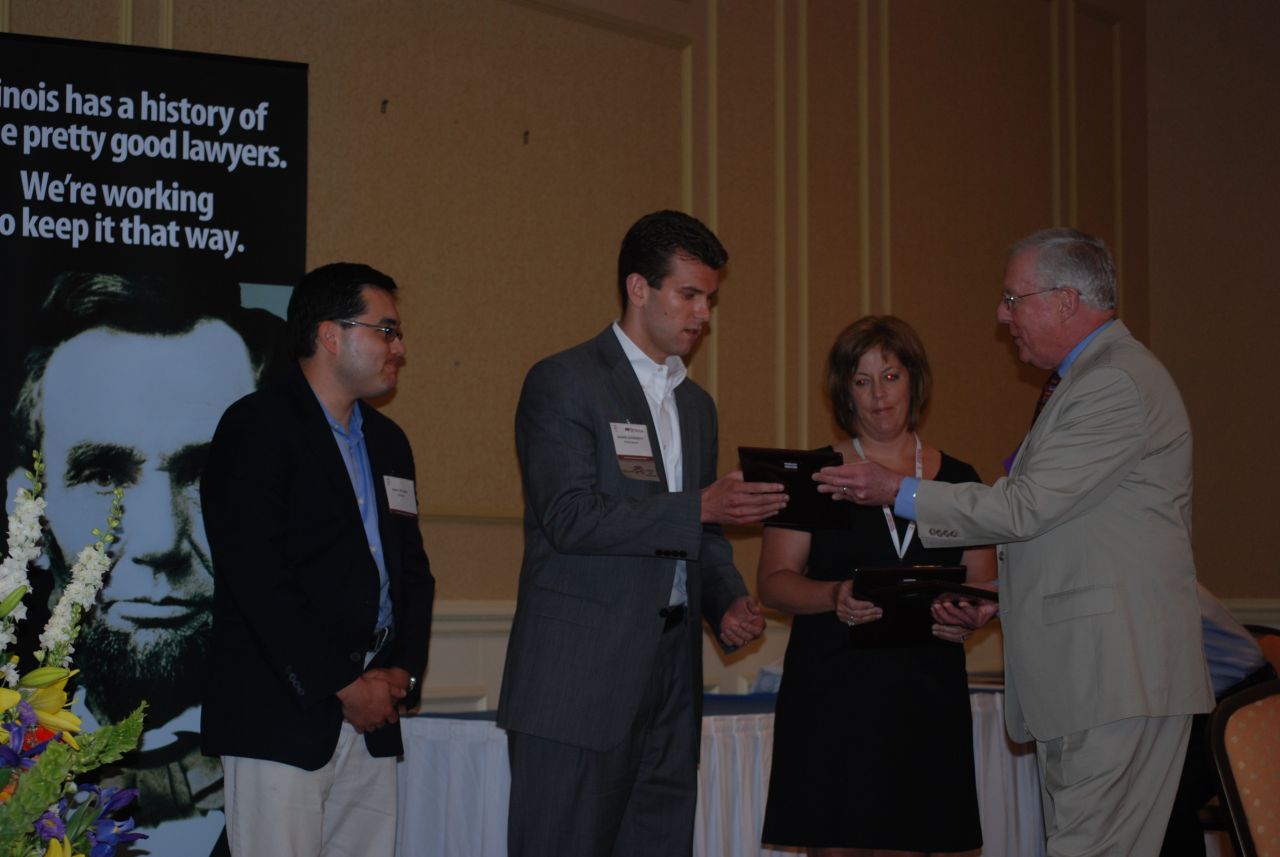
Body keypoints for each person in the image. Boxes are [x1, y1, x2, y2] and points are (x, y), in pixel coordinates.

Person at [818, 228, 1214, 857]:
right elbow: (1077, 533)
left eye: (1012, 299)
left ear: (1064, 300)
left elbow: (1026, 508)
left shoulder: (1113, 383)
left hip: (1112, 675)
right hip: (1095, 676)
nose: (1002, 317)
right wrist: (997, 597)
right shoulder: (1087, 381)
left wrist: (899, 490)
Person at [497, 209, 788, 857]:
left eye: (709, 298)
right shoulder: (565, 381)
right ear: (638, 288)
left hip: (672, 676)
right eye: (688, 294)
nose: (703, 313)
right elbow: (569, 516)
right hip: (579, 679)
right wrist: (703, 507)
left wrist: (725, 598)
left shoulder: (695, 404)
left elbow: (699, 529)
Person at [4, 271, 287, 854]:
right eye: (104, 475)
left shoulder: (307, 746)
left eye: (205, 474)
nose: (160, 540)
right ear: (26, 504)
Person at [200, 262, 435, 856]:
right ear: (331, 335)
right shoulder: (256, 428)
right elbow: (257, 579)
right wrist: (341, 684)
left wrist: (400, 674)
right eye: (386, 330)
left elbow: (412, 573)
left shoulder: (389, 442)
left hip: (374, 715)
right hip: (282, 713)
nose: (399, 348)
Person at [758, 315, 994, 856]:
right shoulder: (814, 475)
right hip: (834, 689)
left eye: (889, 376)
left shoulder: (960, 480)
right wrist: (832, 595)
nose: (878, 395)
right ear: (844, 391)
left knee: (919, 842)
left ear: (914, 380)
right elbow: (773, 582)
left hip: (925, 689)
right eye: (862, 381)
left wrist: (968, 614)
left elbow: (985, 583)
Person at [1159, 584, 1275, 857]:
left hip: (1242, 705)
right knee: (1154, 786)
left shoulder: (1156, 583)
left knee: (1162, 794)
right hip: (1224, 699)